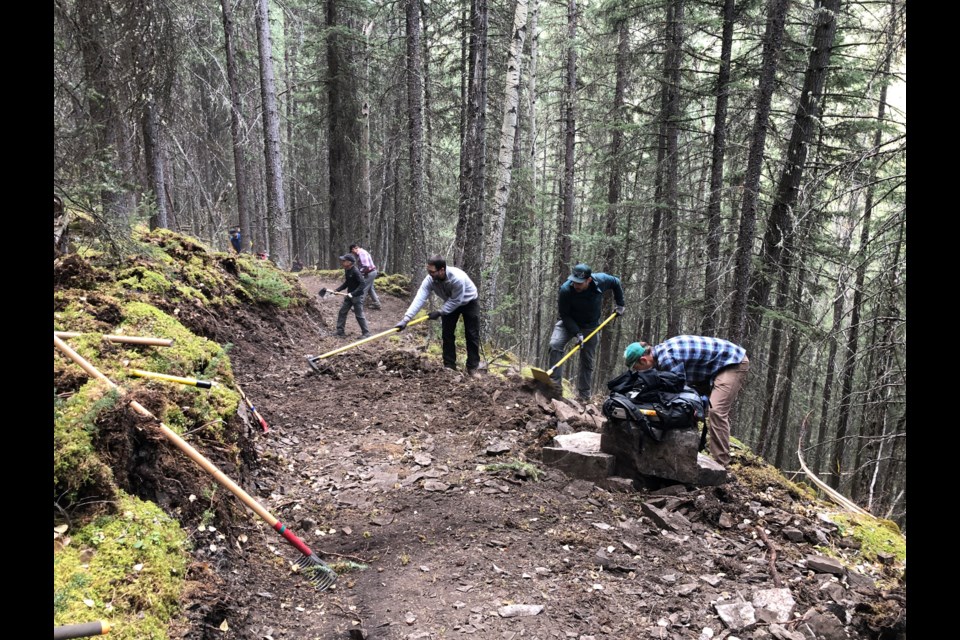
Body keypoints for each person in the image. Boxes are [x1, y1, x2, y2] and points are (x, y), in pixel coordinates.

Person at [624, 336, 749, 467]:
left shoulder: (667, 360)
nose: (638, 371)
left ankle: (721, 464)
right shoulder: (660, 354)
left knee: (716, 410)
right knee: (691, 406)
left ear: (643, 360)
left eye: (636, 368)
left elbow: (675, 390)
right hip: (709, 368)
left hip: (732, 362)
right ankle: (693, 450)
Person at [548, 263, 625, 401]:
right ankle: (554, 390)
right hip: (568, 323)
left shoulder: (601, 280)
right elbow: (564, 315)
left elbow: (616, 282)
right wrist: (577, 333)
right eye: (574, 281)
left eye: (579, 283)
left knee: (587, 359)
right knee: (555, 344)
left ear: (589, 280)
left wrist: (620, 304)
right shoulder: (565, 290)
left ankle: (583, 397)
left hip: (590, 326)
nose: (576, 285)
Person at [394, 255, 480, 374]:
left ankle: (473, 367)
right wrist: (406, 319)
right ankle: (449, 366)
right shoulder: (430, 279)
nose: (429, 274)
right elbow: (420, 297)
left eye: (432, 271)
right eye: (428, 271)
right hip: (450, 302)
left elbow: (457, 300)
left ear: (442, 270)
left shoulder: (457, 278)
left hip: (468, 302)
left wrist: (440, 312)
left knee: (472, 334)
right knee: (447, 334)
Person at [328, 253, 371, 338]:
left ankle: (366, 333)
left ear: (349, 262)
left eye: (344, 261)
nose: (342, 262)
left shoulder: (356, 271)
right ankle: (340, 332)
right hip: (349, 295)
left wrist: (353, 293)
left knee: (359, 315)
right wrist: (337, 290)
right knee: (342, 312)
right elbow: (347, 282)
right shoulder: (347, 270)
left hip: (357, 296)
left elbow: (362, 284)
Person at [350, 243, 382, 310]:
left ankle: (358, 306)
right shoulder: (362, 253)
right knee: (370, 289)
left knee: (363, 288)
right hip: (371, 272)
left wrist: (359, 273)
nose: (353, 253)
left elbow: (366, 266)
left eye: (352, 252)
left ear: (354, 249)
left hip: (370, 273)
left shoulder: (362, 253)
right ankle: (377, 304)